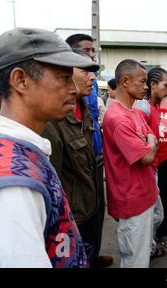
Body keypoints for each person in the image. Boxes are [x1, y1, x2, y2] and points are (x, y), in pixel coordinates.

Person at [0, 28, 98, 267]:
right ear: (21, 80)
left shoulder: (19, 150)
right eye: (63, 77)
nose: (73, 88)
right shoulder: (12, 182)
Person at [41, 49, 106, 268]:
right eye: (85, 70)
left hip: (91, 202)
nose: (93, 77)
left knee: (91, 249)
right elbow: (54, 182)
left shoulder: (84, 107)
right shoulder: (54, 120)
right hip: (73, 216)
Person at [103, 59, 158, 268]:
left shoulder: (134, 112)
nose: (146, 87)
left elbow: (151, 137)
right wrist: (149, 143)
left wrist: (149, 142)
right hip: (132, 200)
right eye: (143, 82)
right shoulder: (117, 118)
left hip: (144, 194)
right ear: (125, 81)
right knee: (136, 261)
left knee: (141, 256)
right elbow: (147, 157)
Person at [66, 34, 112, 267]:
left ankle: (93, 254)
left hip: (93, 160)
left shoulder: (84, 101)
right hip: (75, 181)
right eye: (85, 69)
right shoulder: (57, 115)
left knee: (95, 218)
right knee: (79, 235)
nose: (93, 76)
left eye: (93, 51)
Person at [135, 67, 167, 252]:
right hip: (147, 163)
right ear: (153, 85)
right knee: (150, 201)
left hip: (166, 158)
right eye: (166, 85)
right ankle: (148, 241)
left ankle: (163, 233)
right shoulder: (142, 109)